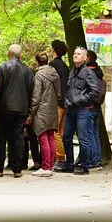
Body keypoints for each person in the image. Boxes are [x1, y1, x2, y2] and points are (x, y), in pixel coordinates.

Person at [0, 44, 33, 178]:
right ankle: (17, 169)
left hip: (4, 108)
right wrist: (29, 109)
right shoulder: (27, 70)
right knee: (18, 138)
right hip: (22, 109)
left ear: (9, 53)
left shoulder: (2, 67)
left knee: (1, 138)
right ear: (20, 55)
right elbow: (31, 90)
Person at [58, 47, 99, 175]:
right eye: (75, 53)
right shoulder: (72, 72)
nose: (75, 55)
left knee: (83, 138)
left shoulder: (88, 73)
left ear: (85, 58)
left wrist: (80, 100)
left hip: (83, 109)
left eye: (79, 54)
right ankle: (69, 164)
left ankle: (84, 165)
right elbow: (68, 89)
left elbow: (94, 92)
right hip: (71, 109)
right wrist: (67, 101)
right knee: (66, 137)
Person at [27, 52, 62, 177]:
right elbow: (59, 94)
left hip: (41, 110)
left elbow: (36, 97)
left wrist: (31, 113)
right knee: (51, 137)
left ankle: (45, 167)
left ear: (37, 62)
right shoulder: (55, 74)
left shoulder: (39, 75)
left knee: (42, 138)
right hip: (52, 108)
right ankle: (50, 165)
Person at [50, 39, 71, 171]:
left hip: (57, 102)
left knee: (55, 132)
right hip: (65, 102)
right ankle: (63, 158)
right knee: (61, 132)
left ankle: (60, 158)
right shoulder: (65, 66)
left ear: (53, 50)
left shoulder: (53, 65)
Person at [86, 50, 105, 170]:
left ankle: (94, 160)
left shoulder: (88, 74)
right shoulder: (99, 74)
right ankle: (97, 159)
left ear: (88, 58)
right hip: (97, 107)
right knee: (95, 134)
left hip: (89, 107)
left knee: (90, 135)